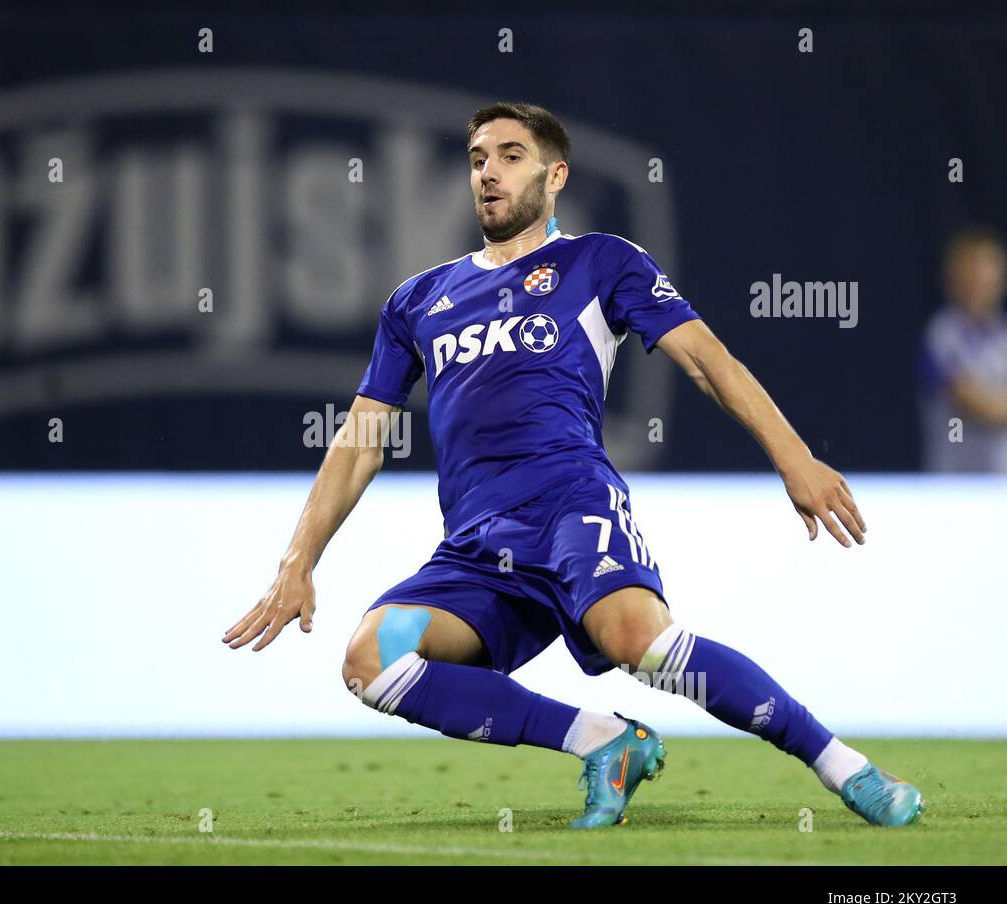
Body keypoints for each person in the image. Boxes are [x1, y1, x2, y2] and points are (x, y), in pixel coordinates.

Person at [224, 102, 922, 828]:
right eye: (476, 157)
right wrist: (298, 557)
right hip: (476, 542)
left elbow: (708, 363)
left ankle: (848, 768)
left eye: (510, 155)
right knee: (371, 658)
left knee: (635, 640)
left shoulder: (600, 263)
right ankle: (604, 740)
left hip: (569, 503)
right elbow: (362, 439)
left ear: (555, 175)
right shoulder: (418, 300)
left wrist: (794, 457)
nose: (488, 171)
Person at [919, 227, 1007, 471]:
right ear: (953, 278)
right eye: (971, 270)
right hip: (955, 488)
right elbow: (973, 403)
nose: (980, 280)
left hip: (1001, 485)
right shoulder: (940, 335)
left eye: (988, 269)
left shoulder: (1003, 336)